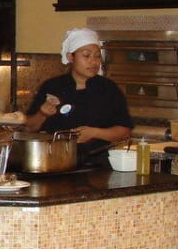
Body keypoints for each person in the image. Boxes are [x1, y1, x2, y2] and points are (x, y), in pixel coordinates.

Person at [25, 27, 133, 167]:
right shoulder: (52, 86)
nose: (93, 62)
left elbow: (124, 132)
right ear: (71, 57)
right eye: (86, 56)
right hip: (55, 163)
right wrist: (42, 114)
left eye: (97, 56)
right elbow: (29, 128)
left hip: (97, 166)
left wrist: (94, 132)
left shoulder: (108, 88)